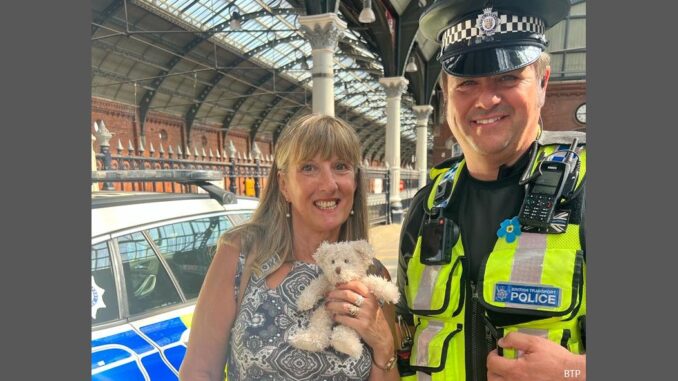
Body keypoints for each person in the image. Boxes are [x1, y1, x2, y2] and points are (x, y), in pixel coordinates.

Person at [396, 1, 587, 380]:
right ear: (447, 95)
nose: (486, 99)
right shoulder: (427, 208)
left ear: (543, 83)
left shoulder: (587, 193)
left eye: (508, 78)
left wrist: (575, 372)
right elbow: (404, 339)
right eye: (467, 83)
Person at [179, 114, 400, 381]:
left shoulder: (372, 275)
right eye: (309, 168)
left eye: (341, 166)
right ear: (284, 185)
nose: (329, 184)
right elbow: (200, 371)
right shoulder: (241, 253)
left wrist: (383, 343)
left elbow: (386, 369)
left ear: (354, 181)